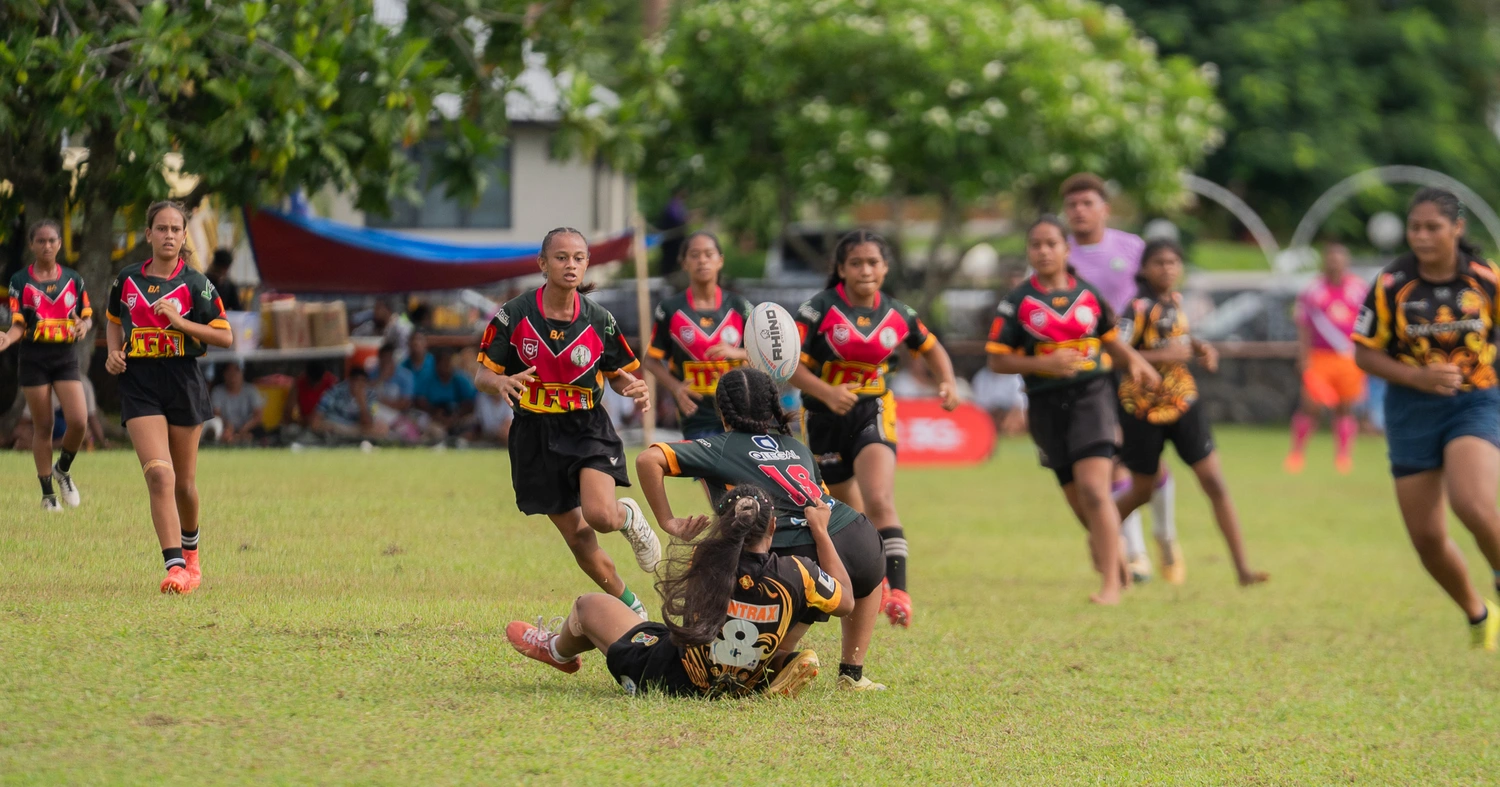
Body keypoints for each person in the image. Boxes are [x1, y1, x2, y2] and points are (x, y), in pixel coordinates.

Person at [636, 367, 888, 691]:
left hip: (801, 553)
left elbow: (647, 460)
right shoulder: (794, 445)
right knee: (859, 580)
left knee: (759, 653)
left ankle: (772, 666)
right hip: (860, 536)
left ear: (723, 413)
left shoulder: (720, 446)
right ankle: (852, 673)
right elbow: (820, 499)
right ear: (771, 406)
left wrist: (668, 521)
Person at [504, 487, 852, 699]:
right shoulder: (800, 571)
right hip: (741, 679)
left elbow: (689, 626)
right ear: (772, 526)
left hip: (674, 678)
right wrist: (821, 532)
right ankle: (772, 669)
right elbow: (847, 601)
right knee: (788, 615)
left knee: (587, 606)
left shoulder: (706, 558)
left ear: (724, 524)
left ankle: (556, 650)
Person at [474, 227, 661, 618]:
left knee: (600, 516)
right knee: (578, 537)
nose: (570, 264)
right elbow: (482, 375)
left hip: (586, 428)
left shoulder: (599, 320)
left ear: (587, 264)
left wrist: (635, 388)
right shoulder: (513, 315)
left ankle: (627, 516)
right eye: (561, 257)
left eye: (578, 257)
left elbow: (621, 372)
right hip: (534, 436)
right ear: (543, 264)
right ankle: (635, 610)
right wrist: (502, 381)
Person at [1352, 187, 1500, 650]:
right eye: (1414, 227)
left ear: (1457, 228)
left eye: (1432, 227)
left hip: (1474, 401)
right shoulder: (1391, 284)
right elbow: (1363, 355)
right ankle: (1478, 615)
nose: (1421, 236)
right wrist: (1419, 379)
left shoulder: (1486, 279)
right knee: (1427, 538)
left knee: (1472, 503)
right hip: (1411, 410)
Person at [790, 229, 960, 629]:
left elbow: (931, 346)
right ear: (841, 269)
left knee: (880, 498)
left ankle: (898, 592)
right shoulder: (817, 310)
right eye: (856, 263)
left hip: (874, 409)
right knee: (848, 514)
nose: (865, 270)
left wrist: (947, 380)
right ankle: (872, 577)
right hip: (821, 416)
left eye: (873, 262)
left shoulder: (899, 313)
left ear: (885, 268)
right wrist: (827, 392)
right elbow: (788, 365)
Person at [986, 215, 1160, 605]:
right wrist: (1040, 365)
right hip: (1046, 407)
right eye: (1036, 245)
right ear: (1030, 252)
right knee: (1079, 502)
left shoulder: (1088, 295)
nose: (1044, 251)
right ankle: (1115, 561)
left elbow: (1112, 341)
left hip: (1092, 398)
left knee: (1095, 490)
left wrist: (1137, 363)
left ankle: (1112, 585)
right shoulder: (1016, 303)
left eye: (1051, 243)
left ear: (1066, 249)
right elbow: (997, 360)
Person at [1113, 239, 1269, 587]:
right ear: (1144, 269)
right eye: (1158, 263)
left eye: (1172, 262)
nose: (1166, 268)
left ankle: (1243, 569)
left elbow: (1177, 340)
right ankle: (1103, 538)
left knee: (1214, 482)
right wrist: (1161, 358)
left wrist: (1199, 347)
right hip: (1142, 409)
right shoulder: (1136, 308)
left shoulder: (1177, 303)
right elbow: (1116, 352)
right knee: (1141, 491)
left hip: (1183, 404)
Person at [105, 200, 233, 595]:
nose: (169, 235)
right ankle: (175, 566)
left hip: (183, 381)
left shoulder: (197, 283)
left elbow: (225, 336)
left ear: (183, 236)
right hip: (140, 383)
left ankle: (192, 557)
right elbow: (113, 321)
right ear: (148, 235)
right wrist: (113, 352)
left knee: (185, 485)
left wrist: (180, 322)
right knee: (159, 475)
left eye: (176, 229)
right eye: (161, 229)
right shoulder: (126, 280)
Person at [1062, 172, 1176, 585]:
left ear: (1104, 208)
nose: (1079, 211)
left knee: (1148, 461)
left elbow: (1159, 294)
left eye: (1087, 203)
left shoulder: (1131, 247)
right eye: (1072, 205)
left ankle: (1166, 538)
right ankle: (1136, 554)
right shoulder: (1059, 252)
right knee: (1112, 463)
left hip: (1134, 366)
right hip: (1087, 372)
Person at [0, 218, 92, 510]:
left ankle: (62, 469)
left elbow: (86, 316)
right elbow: (18, 324)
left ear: (60, 243)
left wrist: (83, 327)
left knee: (79, 420)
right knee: (44, 426)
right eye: (40, 241)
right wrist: (7, 339)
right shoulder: (19, 281)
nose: (47, 245)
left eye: (52, 240)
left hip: (64, 357)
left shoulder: (73, 279)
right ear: (31, 245)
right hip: (34, 359)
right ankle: (48, 495)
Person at [642, 231, 753, 442]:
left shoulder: (740, 307)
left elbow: (766, 355)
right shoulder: (670, 309)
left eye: (708, 254)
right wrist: (676, 388)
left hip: (740, 413)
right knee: (713, 475)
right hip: (696, 417)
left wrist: (736, 352)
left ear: (720, 260)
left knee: (740, 475)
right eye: (694, 255)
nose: (702, 260)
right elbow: (650, 360)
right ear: (684, 263)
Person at [1287, 243, 1368, 474]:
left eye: (1339, 259)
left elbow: (1367, 323)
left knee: (1345, 407)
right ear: (1325, 261)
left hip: (1347, 356)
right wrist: (1303, 357)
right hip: (1318, 356)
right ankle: (1297, 454)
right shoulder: (1312, 290)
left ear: (1346, 262)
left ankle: (1343, 456)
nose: (1334, 263)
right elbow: (1303, 325)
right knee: (1310, 406)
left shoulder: (1359, 289)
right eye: (1331, 259)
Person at [414, 348, 477, 436]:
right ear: (436, 364)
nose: (446, 366)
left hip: (457, 416)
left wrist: (456, 416)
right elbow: (420, 401)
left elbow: (470, 403)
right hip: (433, 416)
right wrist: (434, 413)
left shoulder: (461, 379)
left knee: (472, 422)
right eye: (443, 362)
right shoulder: (427, 378)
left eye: (448, 362)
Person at [312, 367, 384, 441]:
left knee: (380, 428)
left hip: (357, 428)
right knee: (323, 425)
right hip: (336, 425)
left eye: (362, 381)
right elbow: (317, 416)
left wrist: (361, 401)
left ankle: (349, 437)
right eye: (356, 380)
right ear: (349, 381)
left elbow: (368, 423)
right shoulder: (336, 391)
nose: (359, 385)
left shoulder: (370, 395)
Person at [210, 362, 265, 445]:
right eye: (229, 372)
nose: (233, 376)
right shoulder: (217, 391)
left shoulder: (251, 390)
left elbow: (258, 415)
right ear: (224, 374)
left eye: (236, 372)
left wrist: (244, 429)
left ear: (242, 374)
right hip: (226, 428)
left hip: (247, 428)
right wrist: (227, 426)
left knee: (258, 432)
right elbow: (216, 414)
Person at [287, 360, 336, 429]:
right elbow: (289, 409)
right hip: (305, 424)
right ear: (307, 376)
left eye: (318, 383)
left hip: (326, 423)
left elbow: (338, 409)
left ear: (323, 377)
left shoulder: (331, 382)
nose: (315, 386)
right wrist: (299, 421)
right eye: (312, 383)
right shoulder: (299, 383)